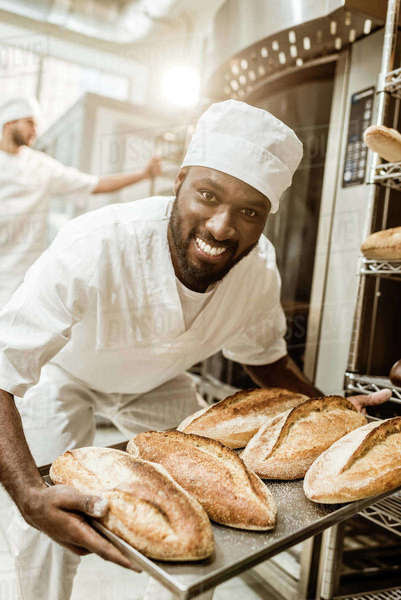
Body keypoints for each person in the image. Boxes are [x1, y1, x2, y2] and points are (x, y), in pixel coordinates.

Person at [0, 99, 390, 600]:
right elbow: (3, 368)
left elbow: (266, 359)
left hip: (158, 382)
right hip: (64, 374)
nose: (222, 227)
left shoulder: (257, 272)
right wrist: (29, 495)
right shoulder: (95, 245)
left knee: (208, 520)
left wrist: (333, 410)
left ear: (267, 216)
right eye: (208, 194)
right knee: (50, 523)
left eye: (250, 211)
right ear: (179, 181)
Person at [0, 96, 161, 308]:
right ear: (10, 122)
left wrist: (143, 175)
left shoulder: (41, 167)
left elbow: (96, 184)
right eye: (30, 122)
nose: (35, 131)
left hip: (18, 279)